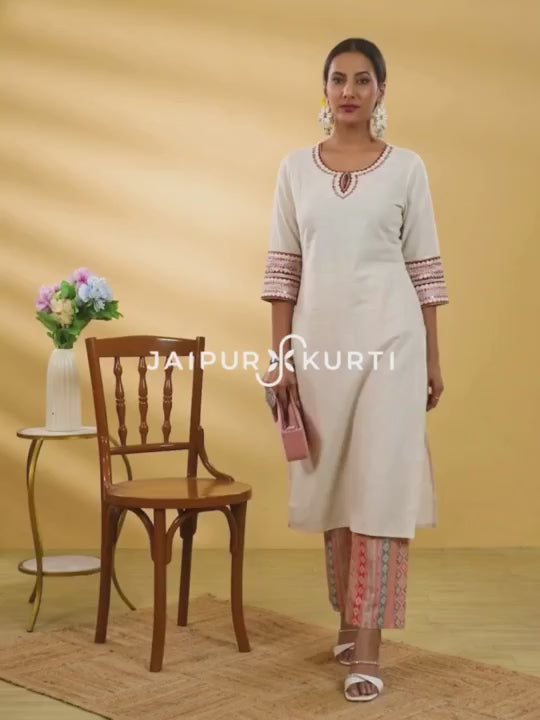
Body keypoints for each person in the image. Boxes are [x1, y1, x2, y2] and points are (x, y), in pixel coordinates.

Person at [260, 37, 449, 703]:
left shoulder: (407, 169)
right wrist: (281, 356)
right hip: (320, 350)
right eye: (338, 79)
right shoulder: (295, 169)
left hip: (393, 345)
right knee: (338, 484)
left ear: (381, 91)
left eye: (362, 80)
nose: (349, 91)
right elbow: (283, 271)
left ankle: (368, 646)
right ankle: (348, 619)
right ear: (325, 89)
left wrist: (432, 355)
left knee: (381, 486)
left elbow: (424, 268)